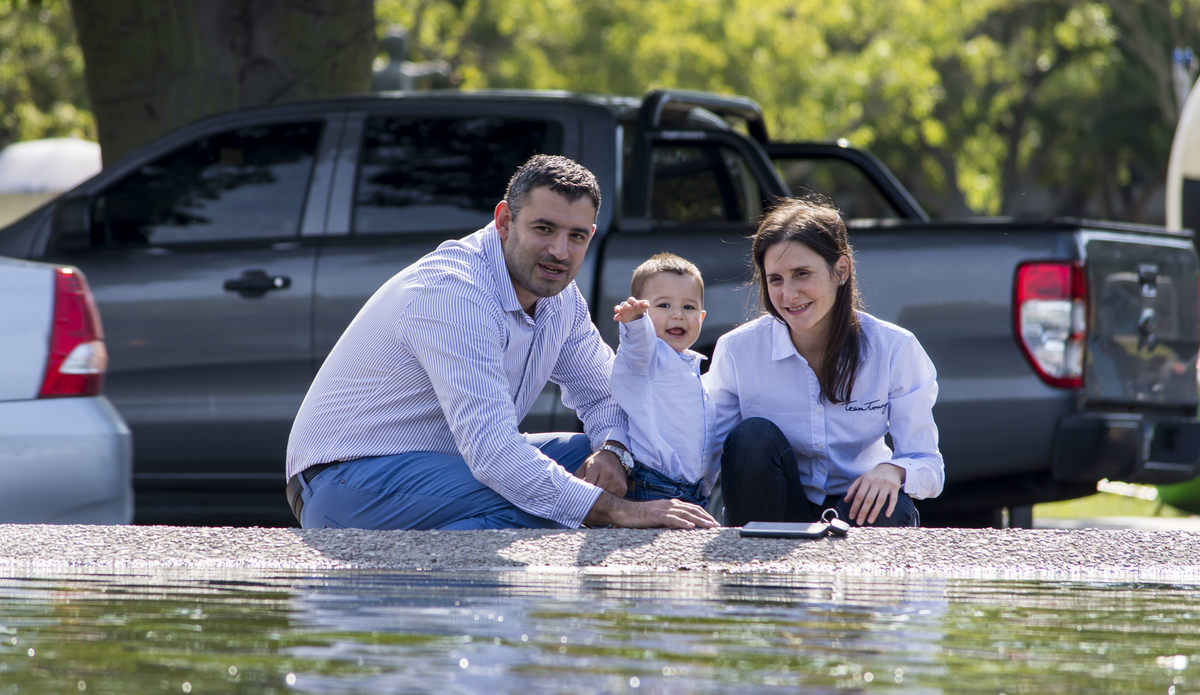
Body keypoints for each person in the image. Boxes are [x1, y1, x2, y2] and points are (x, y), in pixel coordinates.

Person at [285, 154, 717, 532]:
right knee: (562, 504)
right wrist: (617, 511)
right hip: (345, 482)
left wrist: (614, 454)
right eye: (544, 229)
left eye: (577, 236)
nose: (560, 252)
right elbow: (493, 453)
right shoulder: (454, 293)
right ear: (505, 220)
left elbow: (606, 396)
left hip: (451, 469)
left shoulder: (560, 299)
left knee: (608, 462)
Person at [706, 197, 944, 527]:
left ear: (841, 271)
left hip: (855, 508)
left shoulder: (895, 348)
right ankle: (755, 571)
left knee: (891, 507)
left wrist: (895, 471)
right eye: (775, 279)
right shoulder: (737, 350)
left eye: (802, 274)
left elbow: (927, 464)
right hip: (773, 510)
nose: (788, 294)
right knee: (751, 437)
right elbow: (707, 451)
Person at [610, 253, 714, 508]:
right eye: (664, 305)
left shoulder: (692, 366)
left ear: (701, 318)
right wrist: (635, 322)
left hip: (694, 491)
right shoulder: (647, 358)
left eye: (688, 307)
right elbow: (637, 345)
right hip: (653, 486)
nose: (678, 315)